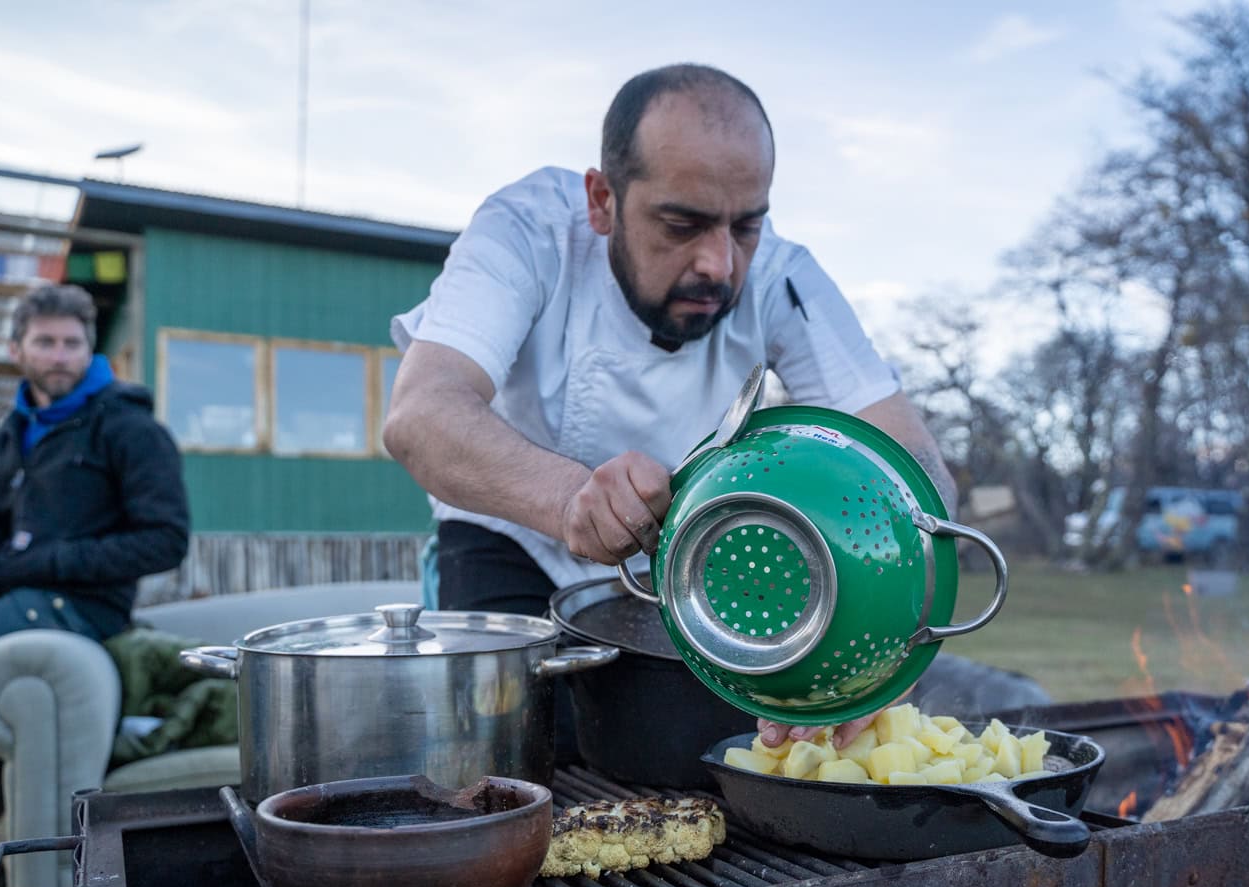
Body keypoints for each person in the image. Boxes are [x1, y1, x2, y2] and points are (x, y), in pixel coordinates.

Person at [384, 63, 956, 752]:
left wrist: (884, 646)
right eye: (682, 224)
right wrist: (569, 499)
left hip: (681, 551)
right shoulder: (526, 229)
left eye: (746, 226)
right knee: (515, 758)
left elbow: (912, 464)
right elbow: (421, 415)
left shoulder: (783, 274)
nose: (720, 264)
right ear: (603, 200)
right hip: (509, 538)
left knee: (695, 755)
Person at [0, 284, 191, 645]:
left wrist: (53, 561)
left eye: (72, 343)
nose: (60, 356)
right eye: (45, 342)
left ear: (89, 350)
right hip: (6, 590)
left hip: (86, 607)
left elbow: (166, 540)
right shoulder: (7, 431)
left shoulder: (131, 428)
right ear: (16, 350)